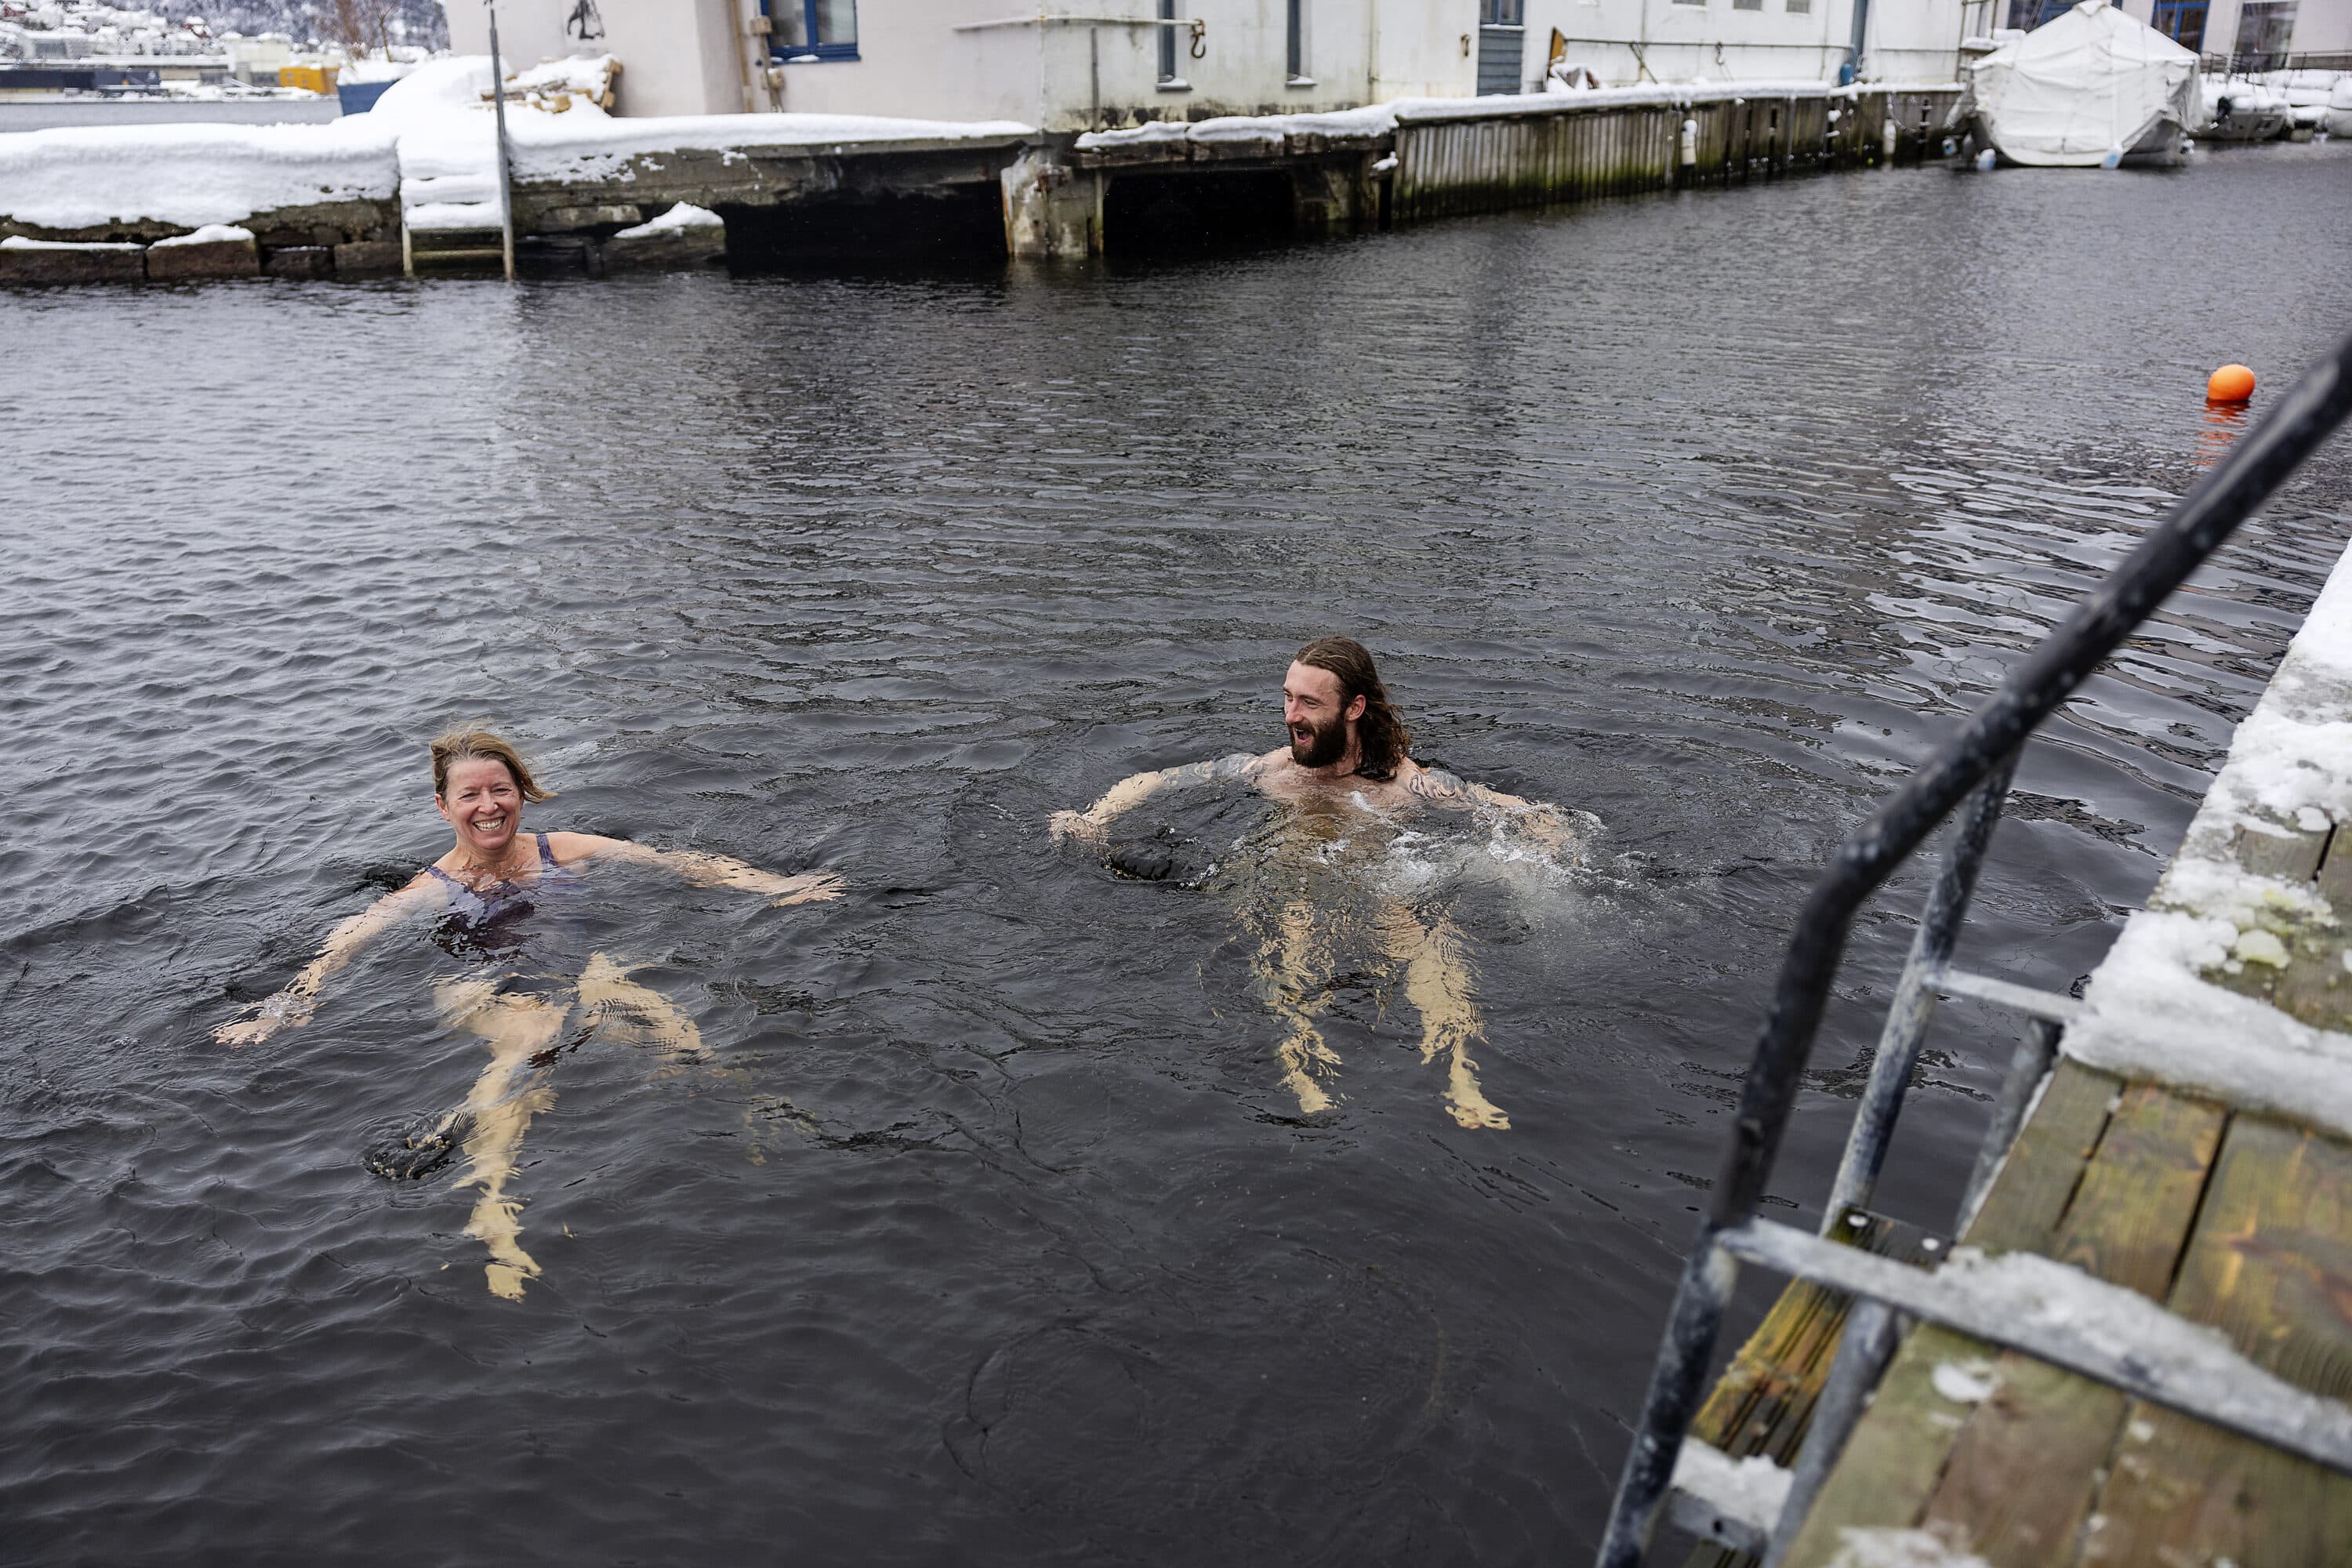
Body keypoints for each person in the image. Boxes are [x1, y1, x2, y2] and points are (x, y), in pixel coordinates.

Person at [216, 728, 842, 1301]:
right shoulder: (433, 885)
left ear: (521, 795)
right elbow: (348, 940)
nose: (487, 805)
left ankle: (747, 1103)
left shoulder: (561, 850)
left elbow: (677, 862)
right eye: (470, 795)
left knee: (657, 1011)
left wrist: (775, 887)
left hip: (573, 972)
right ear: (443, 806)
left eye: (500, 790)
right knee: (532, 1034)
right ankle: (488, 1201)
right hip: (477, 989)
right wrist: (285, 1007)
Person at [1051, 636, 1585, 1129]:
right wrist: (1093, 817)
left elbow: (1516, 810)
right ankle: (1305, 1061)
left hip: (1387, 885)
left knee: (1430, 935)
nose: (1291, 717)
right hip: (1295, 883)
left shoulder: (1408, 784)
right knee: (1292, 924)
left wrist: (1549, 833)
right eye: (1287, 698)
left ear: (1353, 709)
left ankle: (1459, 1069)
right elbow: (1157, 779)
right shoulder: (1273, 769)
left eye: (1308, 703)